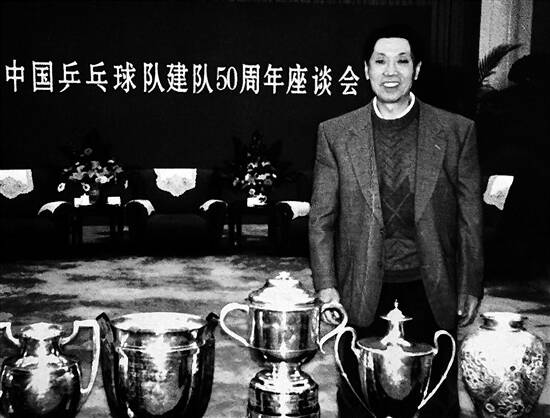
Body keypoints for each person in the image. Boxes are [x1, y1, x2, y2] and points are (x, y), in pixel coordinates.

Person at [308, 24, 483, 417]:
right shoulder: (336, 134)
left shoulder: (456, 131)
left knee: (434, 401)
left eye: (402, 61)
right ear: (365, 69)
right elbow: (321, 218)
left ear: (416, 70)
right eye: (380, 61)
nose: (391, 71)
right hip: (360, 290)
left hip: (431, 287)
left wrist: (470, 283)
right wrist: (326, 285)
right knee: (359, 398)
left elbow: (470, 217)